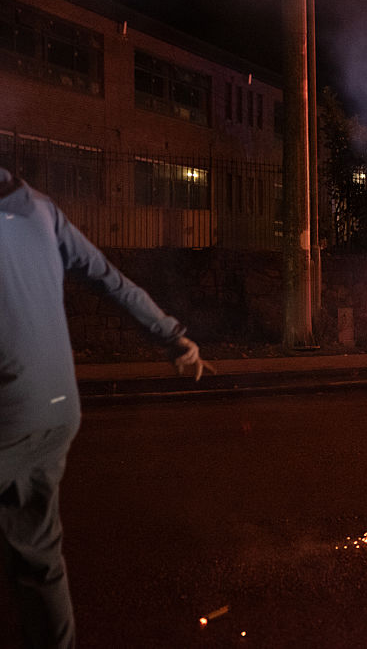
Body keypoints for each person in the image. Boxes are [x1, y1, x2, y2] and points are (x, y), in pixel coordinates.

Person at [0, 167, 211, 648]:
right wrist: (174, 338)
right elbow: (109, 279)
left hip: (7, 415)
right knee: (38, 558)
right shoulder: (40, 208)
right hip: (56, 409)